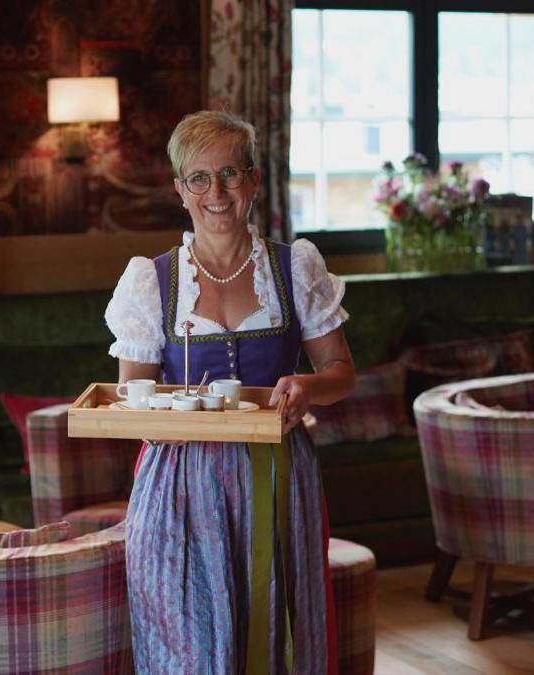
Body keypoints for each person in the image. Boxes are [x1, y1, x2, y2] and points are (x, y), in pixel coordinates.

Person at [104, 110, 355, 674]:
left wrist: (308, 386)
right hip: (179, 484)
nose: (215, 192)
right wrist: (176, 415)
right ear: (180, 190)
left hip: (277, 476)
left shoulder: (295, 268)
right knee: (188, 644)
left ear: (254, 180)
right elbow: (133, 399)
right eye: (199, 178)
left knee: (276, 632)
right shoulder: (150, 281)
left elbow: (341, 373)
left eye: (230, 174)